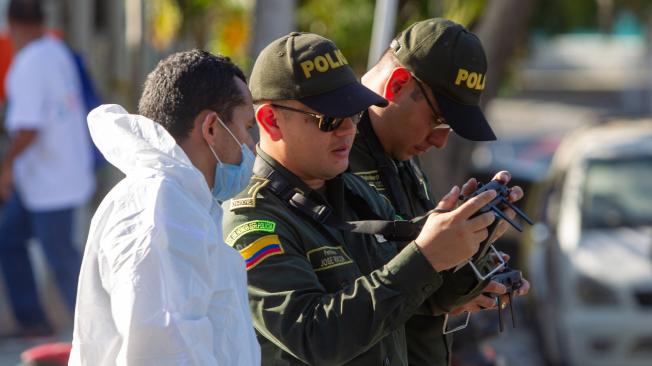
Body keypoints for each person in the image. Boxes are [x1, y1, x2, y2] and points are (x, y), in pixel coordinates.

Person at [222, 31, 504, 366]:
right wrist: (425, 256)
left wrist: (472, 239)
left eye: (354, 115)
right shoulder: (253, 220)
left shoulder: (357, 194)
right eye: (329, 120)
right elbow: (316, 337)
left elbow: (419, 299)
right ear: (271, 121)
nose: (348, 131)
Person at [350, 18, 530, 365]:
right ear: (398, 84)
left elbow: (412, 293)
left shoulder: (397, 154)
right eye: (438, 119)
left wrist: (472, 264)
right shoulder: (330, 156)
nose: (440, 140)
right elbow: (347, 303)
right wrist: (436, 253)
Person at [69, 50, 260, 365]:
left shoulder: (182, 202)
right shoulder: (161, 209)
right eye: (247, 128)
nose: (253, 146)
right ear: (211, 127)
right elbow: (164, 351)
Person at [0, 0, 95, 337]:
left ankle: (94, 329)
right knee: (9, 238)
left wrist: (6, 165)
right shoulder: (57, 50)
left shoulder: (28, 63)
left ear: (10, 23)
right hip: (54, 174)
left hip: (49, 180)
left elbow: (28, 127)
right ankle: (32, 320)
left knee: (60, 258)